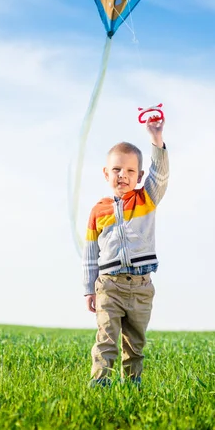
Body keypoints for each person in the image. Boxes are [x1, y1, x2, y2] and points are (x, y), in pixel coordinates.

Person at [83, 117, 168, 386]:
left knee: (135, 344)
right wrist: (89, 288)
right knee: (106, 339)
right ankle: (100, 385)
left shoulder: (147, 198)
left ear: (139, 176)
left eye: (131, 171)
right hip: (109, 286)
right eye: (117, 169)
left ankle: (132, 387)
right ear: (106, 174)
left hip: (141, 286)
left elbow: (161, 174)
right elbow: (89, 255)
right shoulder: (98, 211)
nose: (123, 175)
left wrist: (156, 138)